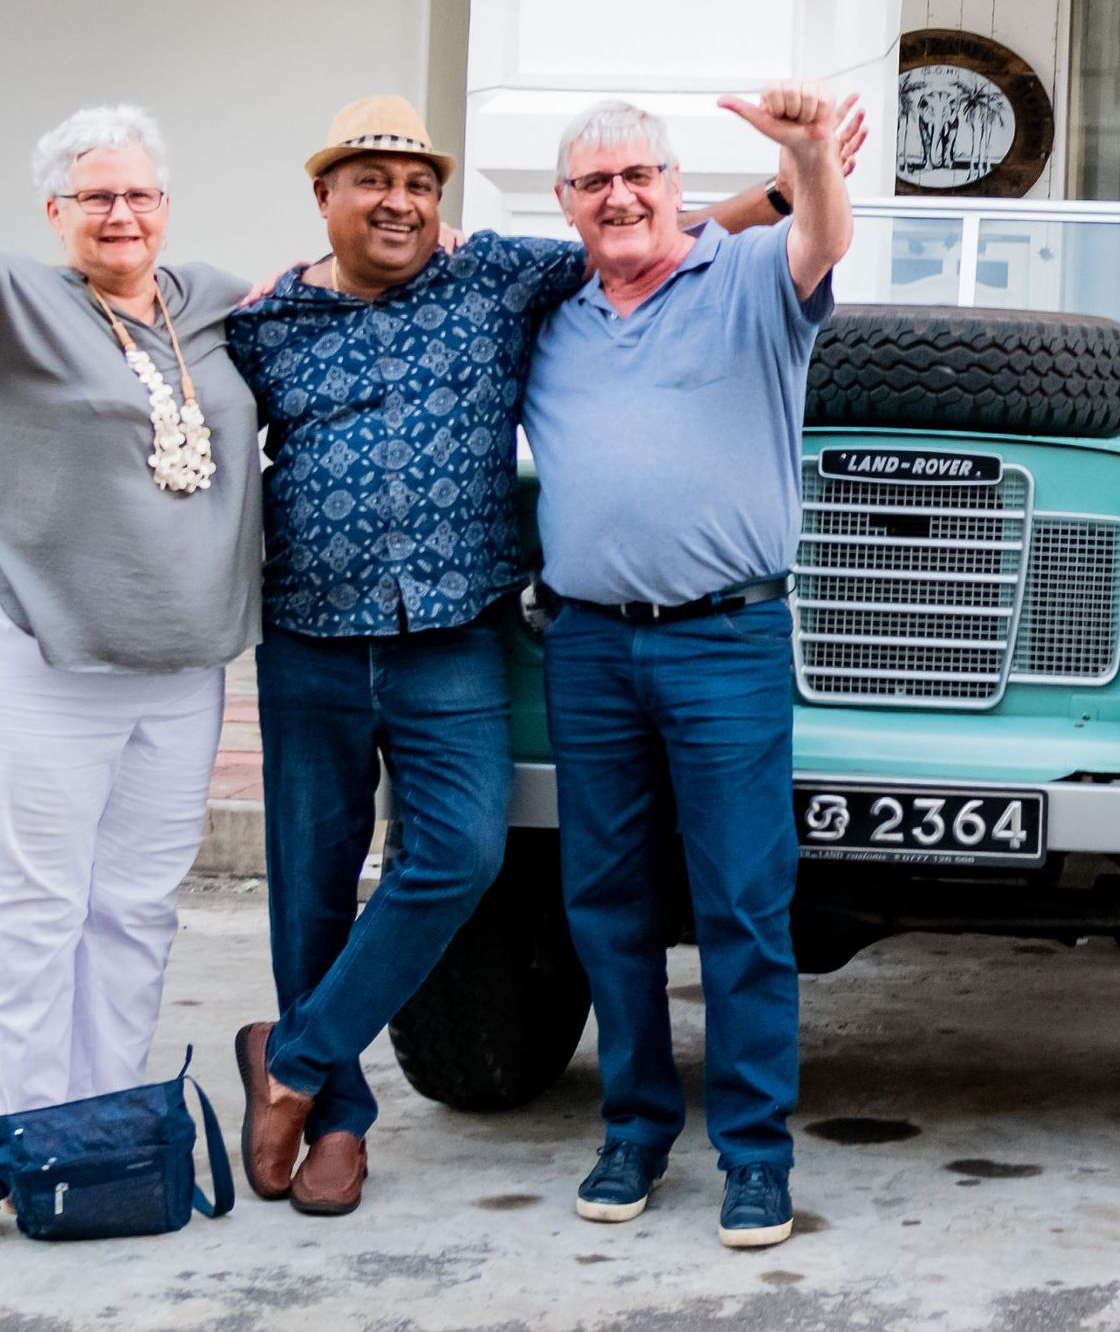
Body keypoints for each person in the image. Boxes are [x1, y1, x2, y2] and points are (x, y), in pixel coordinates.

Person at [222, 95, 841, 1216]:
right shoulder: (286, 321)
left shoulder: (589, 281)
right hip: (443, 639)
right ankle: (402, 1123)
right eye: (369, 180)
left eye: (416, 182)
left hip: (594, 639)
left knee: (675, 893)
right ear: (325, 200)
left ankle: (753, 1156)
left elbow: (737, 231)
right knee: (546, 901)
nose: (397, 200)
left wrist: (800, 166)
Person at [518, 89, 852, 1251]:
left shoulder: (753, 279)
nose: (619, 197)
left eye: (638, 177)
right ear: (565, 205)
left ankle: (755, 1155)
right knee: (605, 901)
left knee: (742, 906)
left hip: (726, 640)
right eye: (592, 183)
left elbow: (823, 237)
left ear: (674, 185)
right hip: (591, 642)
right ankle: (635, 1128)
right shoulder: (552, 310)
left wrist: (807, 155)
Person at [0, 106, 261, 1121]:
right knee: (39, 908)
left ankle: (102, 1120)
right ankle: (25, 1131)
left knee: (138, 909)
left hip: (187, 669)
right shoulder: (24, 301)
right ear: (54, 210)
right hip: (54, 663)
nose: (121, 215)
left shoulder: (214, 300)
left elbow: (331, 285)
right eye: (95, 196)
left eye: (139, 194)